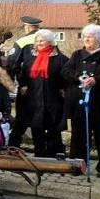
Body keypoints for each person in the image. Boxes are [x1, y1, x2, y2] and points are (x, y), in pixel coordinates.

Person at [62, 24, 100, 177]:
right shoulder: (77, 54)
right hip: (79, 102)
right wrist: (78, 77)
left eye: (90, 37)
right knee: (78, 136)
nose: (86, 39)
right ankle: (77, 166)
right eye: (85, 36)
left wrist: (95, 80)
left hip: (99, 103)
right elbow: (65, 71)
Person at [14, 29, 68, 157]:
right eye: (37, 41)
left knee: (53, 130)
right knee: (36, 128)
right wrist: (23, 85)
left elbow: (66, 77)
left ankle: (53, 155)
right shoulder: (30, 58)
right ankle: (39, 155)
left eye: (42, 40)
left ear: (50, 42)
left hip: (53, 100)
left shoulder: (61, 59)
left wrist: (64, 89)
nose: (39, 43)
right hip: (33, 100)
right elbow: (23, 75)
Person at [8, 15, 42, 80]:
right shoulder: (51, 41)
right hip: (49, 80)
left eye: (24, 26)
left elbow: (13, 63)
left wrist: (10, 80)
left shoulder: (22, 42)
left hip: (29, 80)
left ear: (27, 27)